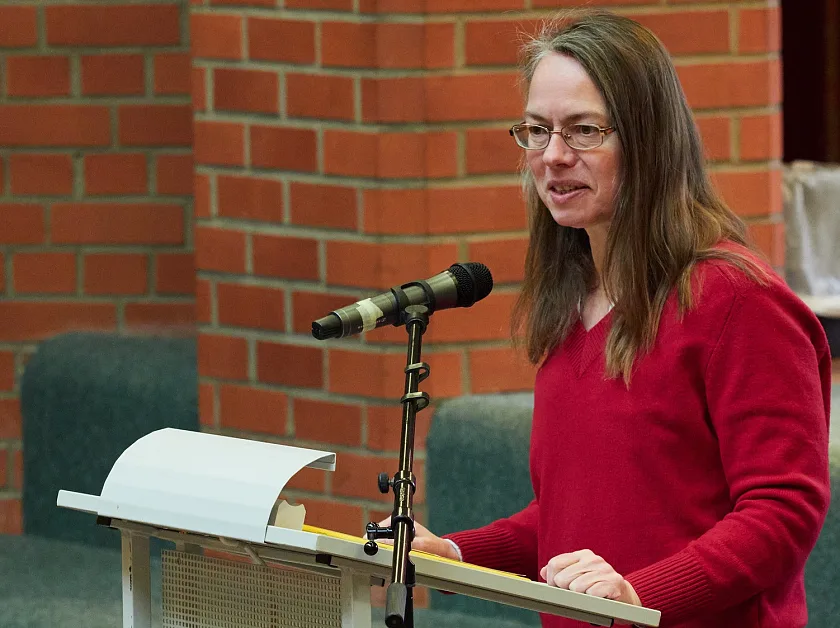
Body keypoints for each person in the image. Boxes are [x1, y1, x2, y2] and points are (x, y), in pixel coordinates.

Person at [396, 10, 832, 628]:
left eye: (583, 131)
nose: (553, 156)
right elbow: (573, 515)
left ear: (649, 141)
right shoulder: (573, 302)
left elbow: (783, 511)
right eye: (537, 130)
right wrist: (459, 551)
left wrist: (639, 594)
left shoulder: (738, 299)